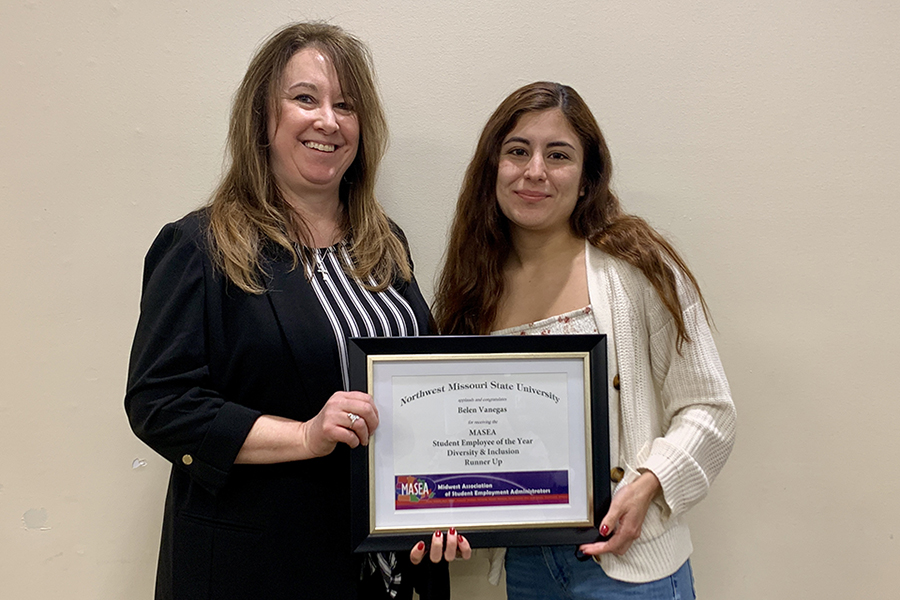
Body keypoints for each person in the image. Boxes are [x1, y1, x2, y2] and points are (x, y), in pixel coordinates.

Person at [125, 22, 469, 600]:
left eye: (346, 105)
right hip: (260, 569)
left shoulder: (387, 245)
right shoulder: (200, 247)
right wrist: (305, 435)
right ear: (263, 117)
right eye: (305, 98)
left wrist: (442, 500)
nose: (328, 121)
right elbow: (159, 404)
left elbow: (422, 388)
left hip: (385, 573)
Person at [433, 82, 736, 599]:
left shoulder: (638, 268)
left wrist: (650, 484)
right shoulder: (473, 289)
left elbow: (710, 408)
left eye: (558, 155)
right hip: (526, 570)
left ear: (586, 176)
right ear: (492, 167)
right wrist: (442, 509)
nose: (535, 172)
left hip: (631, 566)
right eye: (517, 151)